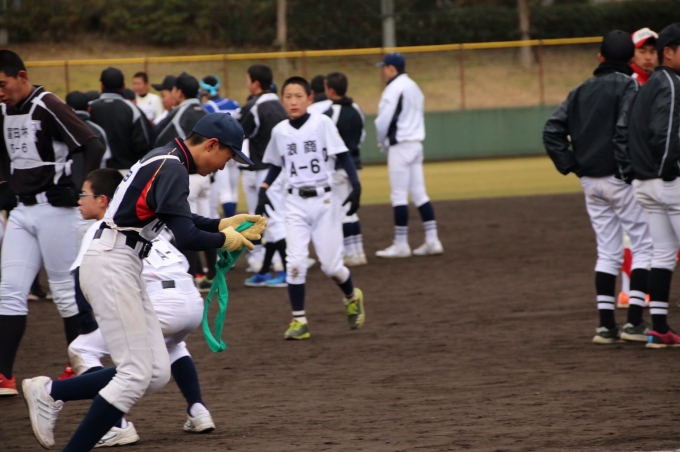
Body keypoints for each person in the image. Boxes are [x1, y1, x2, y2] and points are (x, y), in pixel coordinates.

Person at [21, 113, 266, 451]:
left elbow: (178, 218)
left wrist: (220, 224)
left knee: (155, 372)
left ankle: (51, 391)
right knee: (136, 373)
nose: (226, 166)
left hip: (122, 261)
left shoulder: (168, 157)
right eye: (228, 156)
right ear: (212, 144)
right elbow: (186, 235)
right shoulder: (173, 166)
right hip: (112, 262)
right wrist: (226, 239)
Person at [68, 168, 215, 447]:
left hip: (162, 303)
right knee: (172, 345)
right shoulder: (147, 224)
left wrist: (88, 325)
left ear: (103, 200)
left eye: (84, 194)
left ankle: (115, 425)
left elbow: (79, 278)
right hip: (191, 299)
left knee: (82, 349)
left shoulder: (103, 229)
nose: (79, 200)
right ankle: (198, 410)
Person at [0, 50, 105, 397]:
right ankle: (3, 375)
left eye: (3, 84)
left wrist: (78, 188)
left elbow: (91, 144)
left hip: (55, 210)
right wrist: (5, 185)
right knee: (9, 292)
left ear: (22, 76)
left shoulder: (47, 104)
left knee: (64, 292)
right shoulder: (4, 109)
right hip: (22, 211)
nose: (0, 92)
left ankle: (81, 365)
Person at [544, 30, 653, 345]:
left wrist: (572, 164)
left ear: (600, 57)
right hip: (620, 179)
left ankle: (606, 326)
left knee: (607, 251)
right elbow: (625, 130)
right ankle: (634, 322)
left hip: (590, 180)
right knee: (644, 246)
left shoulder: (580, 90)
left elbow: (552, 130)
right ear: (630, 59)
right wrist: (626, 169)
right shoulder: (631, 86)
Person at [257, 76, 364, 340]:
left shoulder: (321, 123)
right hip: (294, 202)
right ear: (282, 100)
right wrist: (264, 188)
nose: (293, 101)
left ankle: (352, 296)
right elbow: (277, 164)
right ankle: (299, 320)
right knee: (295, 263)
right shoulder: (280, 131)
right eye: (288, 96)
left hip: (324, 201)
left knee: (331, 267)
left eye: (299, 96)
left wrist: (355, 185)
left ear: (309, 99)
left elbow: (343, 155)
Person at [615, 23, 680, 348]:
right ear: (670, 52)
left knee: (663, 255)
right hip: (666, 182)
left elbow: (622, 131)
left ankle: (658, 330)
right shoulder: (671, 83)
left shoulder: (646, 85)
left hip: (644, 183)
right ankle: (658, 329)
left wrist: (632, 173)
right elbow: (665, 132)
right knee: (664, 254)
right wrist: (668, 171)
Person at [374, 52, 443, 258]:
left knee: (398, 196)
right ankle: (433, 240)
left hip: (400, 146)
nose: (383, 71)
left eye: (385, 67)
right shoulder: (414, 86)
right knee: (420, 194)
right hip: (415, 145)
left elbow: (383, 121)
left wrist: (382, 141)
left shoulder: (393, 88)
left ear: (392, 68)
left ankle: (401, 244)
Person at [154, 72, 215, 290]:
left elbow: (157, 138)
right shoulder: (205, 112)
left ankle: (191, 278)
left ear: (178, 92)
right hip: (207, 178)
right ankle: (212, 276)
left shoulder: (178, 113)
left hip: (188, 176)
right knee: (206, 224)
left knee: (185, 228)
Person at [618, 28, 659, 309]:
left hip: (652, 169)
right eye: (642, 51)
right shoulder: (629, 83)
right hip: (633, 170)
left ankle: (636, 290)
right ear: (631, 54)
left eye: (652, 51)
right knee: (634, 232)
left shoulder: (655, 82)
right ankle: (630, 291)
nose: (648, 56)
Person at [239, 64, 288, 275]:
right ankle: (274, 262)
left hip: (262, 171)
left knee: (267, 219)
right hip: (281, 169)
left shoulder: (254, 106)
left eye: (248, 80)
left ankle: (280, 266)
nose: (247, 84)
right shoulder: (280, 105)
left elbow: (239, 133)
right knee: (278, 216)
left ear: (256, 83)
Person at [323, 71, 367, 266]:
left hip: (339, 167)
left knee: (342, 212)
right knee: (351, 211)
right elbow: (362, 135)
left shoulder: (330, 113)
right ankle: (358, 251)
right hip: (354, 165)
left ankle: (351, 253)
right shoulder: (356, 109)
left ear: (331, 90)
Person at [89, 67, 153, 171]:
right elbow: (143, 143)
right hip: (127, 171)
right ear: (123, 86)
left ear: (102, 86)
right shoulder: (132, 109)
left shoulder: (90, 108)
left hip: (97, 172)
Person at [200, 75, 241, 221]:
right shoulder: (234, 104)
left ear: (204, 90)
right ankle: (236, 224)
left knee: (225, 192)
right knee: (233, 192)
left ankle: (232, 226)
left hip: (221, 151)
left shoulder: (207, 107)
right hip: (237, 150)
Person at [65, 90, 111, 181]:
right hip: (91, 185)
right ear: (89, 109)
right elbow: (105, 160)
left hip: (64, 184)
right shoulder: (97, 130)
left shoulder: (61, 129)